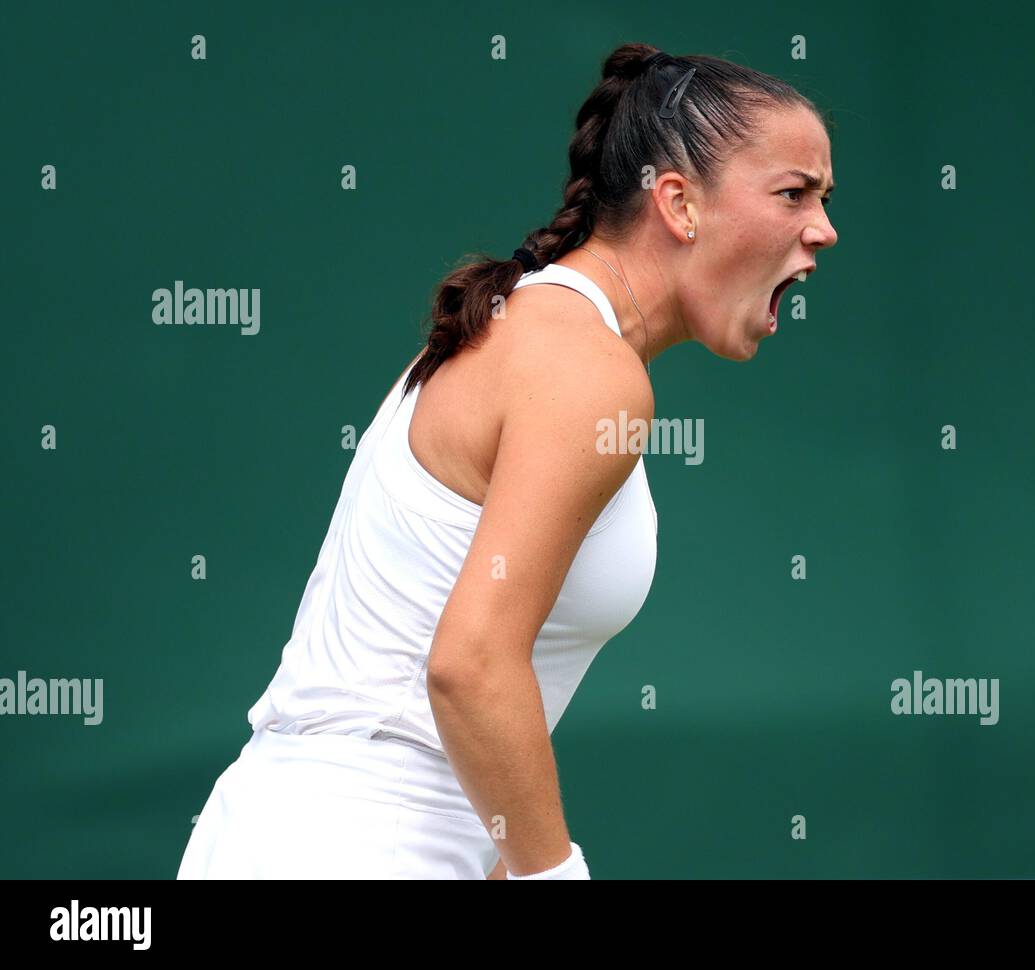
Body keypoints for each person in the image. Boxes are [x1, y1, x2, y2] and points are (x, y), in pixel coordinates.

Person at [178, 41, 837, 881]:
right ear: (678, 202)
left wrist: (501, 855)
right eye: (793, 193)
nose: (824, 228)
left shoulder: (529, 330)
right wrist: (551, 874)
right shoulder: (590, 370)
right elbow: (470, 664)